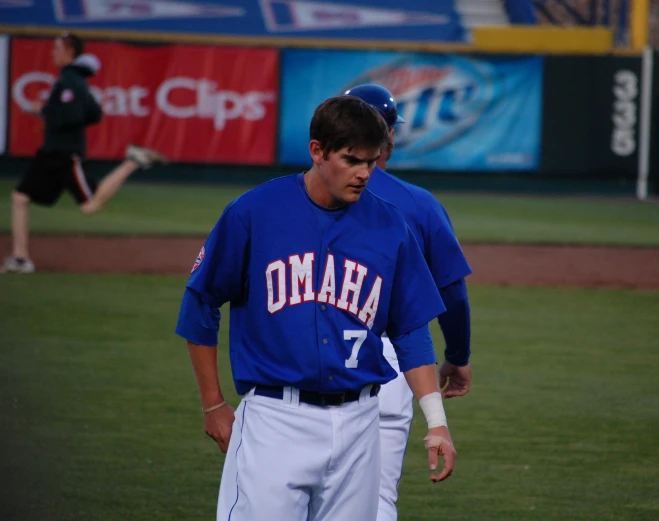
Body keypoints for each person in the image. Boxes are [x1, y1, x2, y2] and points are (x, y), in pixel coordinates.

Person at [175, 96, 457, 521]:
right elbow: (200, 303)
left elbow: (410, 328)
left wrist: (436, 420)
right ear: (317, 151)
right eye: (352, 160)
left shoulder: (389, 225)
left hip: (361, 423)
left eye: (371, 160)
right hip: (276, 420)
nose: (364, 173)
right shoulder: (255, 212)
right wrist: (213, 404)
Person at [344, 83, 473, 521]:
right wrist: (458, 355)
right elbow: (452, 293)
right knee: (375, 501)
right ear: (389, 136)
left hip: (311, 354)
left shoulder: (304, 196)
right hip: (393, 357)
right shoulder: (418, 203)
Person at [2, 32, 165, 274]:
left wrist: (44, 111)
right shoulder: (75, 79)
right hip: (52, 154)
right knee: (20, 198)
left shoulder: (70, 80)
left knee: (90, 206)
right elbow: (94, 112)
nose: (53, 53)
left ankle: (132, 161)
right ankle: (20, 257)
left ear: (69, 51)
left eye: (57, 48)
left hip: (64, 155)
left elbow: (74, 115)